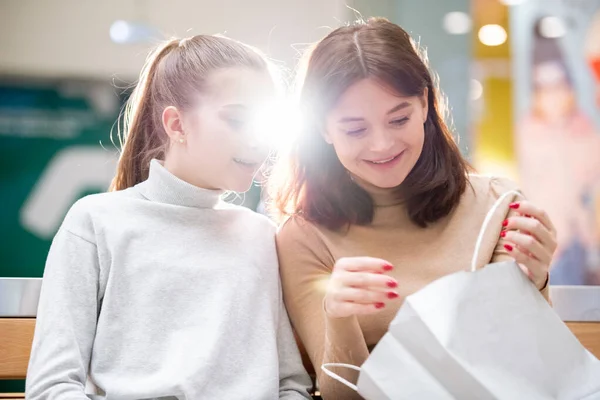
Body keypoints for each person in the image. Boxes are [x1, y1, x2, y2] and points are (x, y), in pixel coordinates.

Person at [270, 18, 558, 399]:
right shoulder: (305, 236)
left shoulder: (497, 206)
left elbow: (514, 363)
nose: (382, 145)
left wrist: (534, 284)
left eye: (399, 118)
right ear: (323, 129)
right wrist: (339, 318)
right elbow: (343, 395)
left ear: (425, 103)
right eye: (355, 130)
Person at [26, 35, 311, 400]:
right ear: (177, 125)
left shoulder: (263, 236)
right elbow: (52, 386)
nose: (258, 141)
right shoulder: (95, 222)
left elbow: (291, 385)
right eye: (238, 120)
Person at [516, 23, 600, 285]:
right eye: (544, 86)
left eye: (559, 84)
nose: (553, 94)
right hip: (551, 242)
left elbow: (591, 182)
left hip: (584, 240)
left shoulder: (583, 128)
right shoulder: (530, 131)